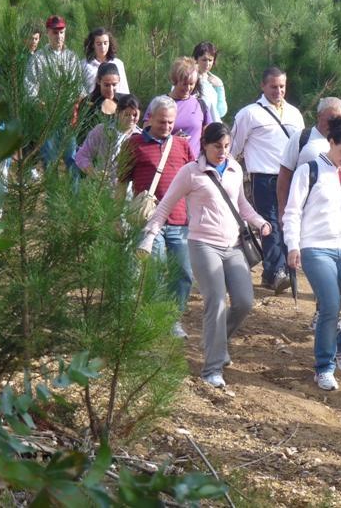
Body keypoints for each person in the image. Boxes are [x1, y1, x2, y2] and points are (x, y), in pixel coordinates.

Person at [138, 123, 271, 388]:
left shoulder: (234, 168)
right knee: (216, 301)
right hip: (203, 244)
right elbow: (164, 207)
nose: (222, 152)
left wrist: (260, 222)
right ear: (204, 145)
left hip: (234, 245)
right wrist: (149, 236)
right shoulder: (190, 172)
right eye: (217, 146)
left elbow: (241, 204)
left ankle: (215, 342)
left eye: (226, 146)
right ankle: (212, 368)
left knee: (244, 301)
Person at [282, 117, 341, 391]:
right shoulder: (309, 171)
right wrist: (293, 245)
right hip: (315, 246)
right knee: (330, 304)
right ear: (331, 142)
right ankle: (324, 366)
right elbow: (292, 212)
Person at [121, 95, 195, 339]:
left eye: (171, 122)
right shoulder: (133, 144)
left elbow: (195, 181)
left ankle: (172, 318)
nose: (166, 126)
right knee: (155, 269)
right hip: (149, 222)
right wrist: (114, 218)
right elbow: (121, 183)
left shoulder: (182, 146)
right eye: (162, 121)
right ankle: (154, 320)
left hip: (179, 221)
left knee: (184, 273)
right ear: (150, 118)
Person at [231, 66, 304, 294]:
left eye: (282, 86)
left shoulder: (294, 114)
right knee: (270, 223)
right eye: (273, 87)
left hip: (290, 176)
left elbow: (302, 146)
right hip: (263, 176)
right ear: (263, 86)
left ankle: (277, 270)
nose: (278, 91)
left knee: (288, 221)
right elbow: (234, 147)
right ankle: (277, 271)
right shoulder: (249, 114)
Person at [277, 97, 341, 224]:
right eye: (331, 119)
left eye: (340, 120)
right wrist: (283, 211)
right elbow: (284, 176)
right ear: (319, 116)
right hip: (308, 216)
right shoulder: (301, 138)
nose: (335, 124)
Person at [25, 15, 85, 167]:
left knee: (72, 159)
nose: (59, 36)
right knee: (49, 161)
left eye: (61, 32)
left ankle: (74, 184)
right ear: (47, 33)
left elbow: (79, 87)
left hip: (67, 116)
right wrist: (38, 103)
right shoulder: (38, 58)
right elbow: (30, 87)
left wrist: (77, 106)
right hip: (48, 117)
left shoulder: (72, 58)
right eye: (55, 32)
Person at [143, 57, 212, 160]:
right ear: (175, 80)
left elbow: (209, 136)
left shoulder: (200, 105)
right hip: (166, 161)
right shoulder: (159, 104)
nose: (188, 88)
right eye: (184, 84)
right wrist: (172, 140)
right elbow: (146, 135)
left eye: (191, 84)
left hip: (194, 164)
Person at [75, 94, 141, 183]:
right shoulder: (102, 130)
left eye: (135, 115)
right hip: (99, 185)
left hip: (126, 189)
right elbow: (82, 155)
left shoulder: (141, 137)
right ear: (117, 112)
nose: (131, 118)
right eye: (127, 114)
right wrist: (94, 173)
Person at [82, 27, 130, 95]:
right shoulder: (84, 65)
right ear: (93, 45)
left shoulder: (118, 64)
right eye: (99, 44)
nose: (103, 47)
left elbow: (124, 90)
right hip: (91, 100)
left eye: (105, 43)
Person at [193, 41, 227, 122]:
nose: (207, 64)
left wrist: (220, 88)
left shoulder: (216, 81)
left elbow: (221, 112)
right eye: (204, 60)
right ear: (196, 59)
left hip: (213, 125)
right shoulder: (186, 78)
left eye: (210, 60)